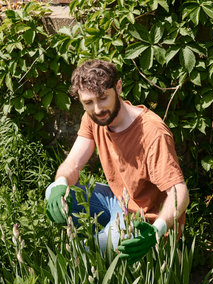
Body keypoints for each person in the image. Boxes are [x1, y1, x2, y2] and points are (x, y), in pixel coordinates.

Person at [45, 59, 189, 264]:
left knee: (99, 249)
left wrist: (158, 229)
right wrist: (60, 184)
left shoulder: (152, 132)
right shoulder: (94, 118)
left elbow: (179, 192)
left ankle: (140, 253)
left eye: (102, 98)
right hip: (117, 200)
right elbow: (73, 164)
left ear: (118, 87)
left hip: (145, 218)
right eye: (88, 102)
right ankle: (98, 243)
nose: (97, 109)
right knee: (54, 192)